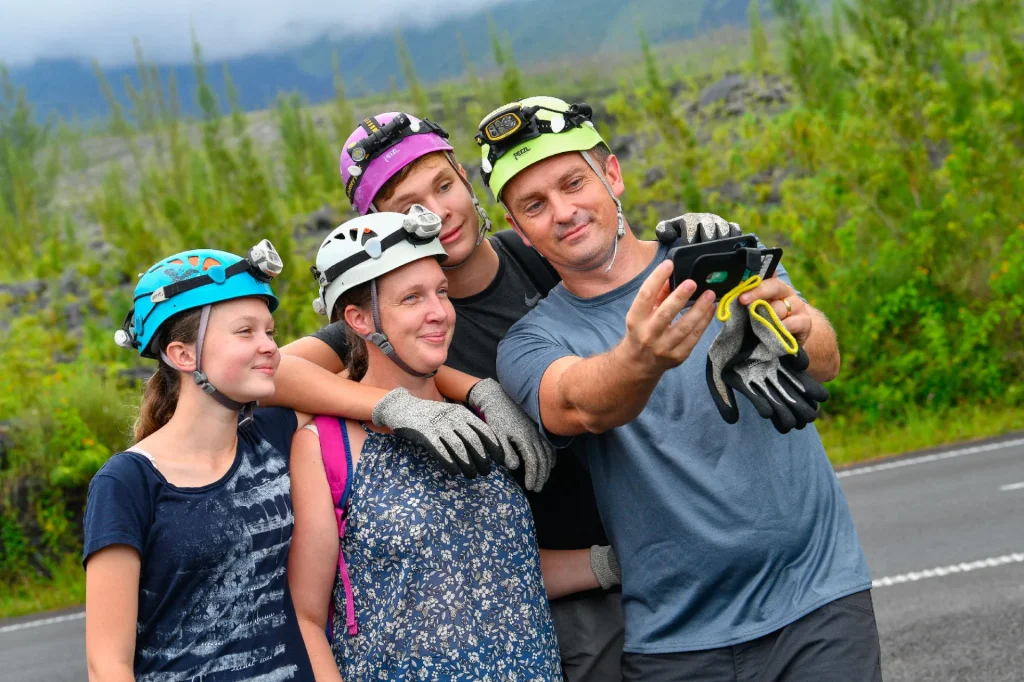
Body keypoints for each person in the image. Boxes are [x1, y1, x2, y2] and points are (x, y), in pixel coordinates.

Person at [482, 96, 882, 682]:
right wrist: (639, 357)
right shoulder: (530, 341)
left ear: (611, 175)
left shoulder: (719, 257)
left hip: (818, 602)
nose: (564, 211)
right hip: (677, 644)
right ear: (518, 230)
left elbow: (826, 359)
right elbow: (578, 402)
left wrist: (796, 326)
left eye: (573, 183)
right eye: (535, 205)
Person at [280, 111, 627, 681]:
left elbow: (621, 251)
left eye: (444, 185)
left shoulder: (537, 254)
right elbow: (272, 372)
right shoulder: (391, 318)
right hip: (545, 600)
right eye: (404, 206)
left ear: (466, 180)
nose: (436, 213)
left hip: (630, 547)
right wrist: (404, 404)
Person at [287, 208, 562, 680]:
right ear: (357, 317)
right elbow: (307, 617)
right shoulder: (324, 445)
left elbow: (503, 567)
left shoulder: (483, 415)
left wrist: (606, 563)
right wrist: (395, 407)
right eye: (411, 298)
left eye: (441, 291)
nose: (438, 312)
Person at [83, 241, 318, 680]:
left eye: (270, 331)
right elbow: (106, 663)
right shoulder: (127, 482)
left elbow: (346, 348)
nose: (270, 346)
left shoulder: (272, 434)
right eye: (245, 332)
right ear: (182, 355)